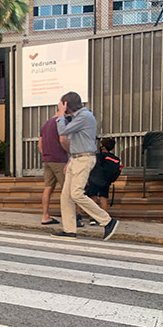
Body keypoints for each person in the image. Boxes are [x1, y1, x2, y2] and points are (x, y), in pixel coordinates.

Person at [52, 92, 119, 241]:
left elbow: (62, 131)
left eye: (63, 105)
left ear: (67, 105)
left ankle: (107, 221)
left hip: (84, 159)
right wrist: (70, 160)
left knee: (76, 193)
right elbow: (75, 142)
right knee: (66, 196)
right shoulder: (77, 118)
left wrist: (61, 114)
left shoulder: (85, 116)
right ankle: (69, 230)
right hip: (76, 158)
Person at [38, 110, 68, 224]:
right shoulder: (62, 122)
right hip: (60, 159)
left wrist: (46, 155)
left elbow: (39, 145)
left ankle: (45, 216)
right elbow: (63, 139)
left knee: (48, 187)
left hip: (47, 159)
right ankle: (69, 218)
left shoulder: (45, 124)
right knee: (66, 188)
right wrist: (70, 153)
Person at [84, 137, 122, 225]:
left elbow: (92, 166)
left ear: (103, 147)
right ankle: (104, 218)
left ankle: (93, 217)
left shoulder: (99, 156)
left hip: (95, 179)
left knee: (93, 197)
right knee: (103, 198)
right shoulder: (115, 158)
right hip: (106, 181)